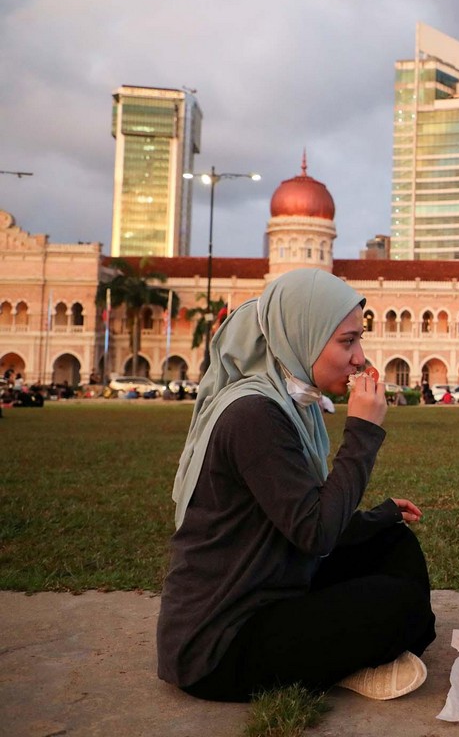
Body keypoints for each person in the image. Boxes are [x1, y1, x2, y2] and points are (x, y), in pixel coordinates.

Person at [157, 268, 435, 703]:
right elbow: (314, 533)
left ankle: (348, 655)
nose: (360, 357)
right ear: (301, 337)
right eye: (347, 341)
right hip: (220, 641)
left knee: (392, 543)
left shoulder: (289, 403)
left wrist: (376, 519)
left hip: (275, 583)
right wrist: (362, 432)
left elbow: (299, 517)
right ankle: (347, 660)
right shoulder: (253, 415)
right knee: (399, 605)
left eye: (358, 340)